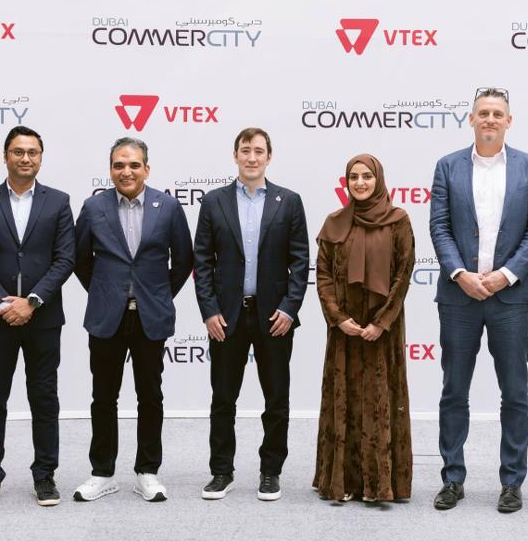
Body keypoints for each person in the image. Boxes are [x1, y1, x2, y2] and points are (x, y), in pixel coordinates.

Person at [429, 88, 528, 513]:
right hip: (458, 297)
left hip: (511, 299)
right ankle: (452, 478)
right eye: (483, 113)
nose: (490, 120)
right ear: (472, 119)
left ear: (509, 121)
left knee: (514, 393)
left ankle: (512, 482)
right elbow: (439, 227)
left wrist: (505, 275)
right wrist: (460, 274)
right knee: (453, 391)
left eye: (498, 113)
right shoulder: (448, 166)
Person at [72, 137, 194, 503]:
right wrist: (106, 292)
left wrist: (156, 294)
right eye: (119, 165)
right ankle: (102, 473)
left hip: (150, 316)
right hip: (106, 316)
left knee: (150, 396)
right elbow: (80, 260)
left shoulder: (168, 206)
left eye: (134, 165)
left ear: (147, 169)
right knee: (103, 397)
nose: (127, 171)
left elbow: (183, 261)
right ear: (110, 170)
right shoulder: (93, 207)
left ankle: (147, 472)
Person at [193, 127, 310, 502]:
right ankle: (221, 472)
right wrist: (209, 311)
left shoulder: (288, 201)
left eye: (259, 151)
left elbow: (300, 262)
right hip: (226, 317)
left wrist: (289, 309)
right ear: (235, 155)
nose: (252, 157)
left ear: (269, 157)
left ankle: (270, 472)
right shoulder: (214, 202)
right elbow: (201, 262)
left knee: (276, 399)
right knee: (222, 398)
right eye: (245, 150)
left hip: (274, 317)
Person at [0, 125, 75, 508]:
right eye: (18, 151)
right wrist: (2, 303)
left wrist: (32, 301)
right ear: (5, 156)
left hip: (43, 318)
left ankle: (45, 476)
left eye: (32, 152)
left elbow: (65, 258)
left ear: (41, 158)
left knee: (44, 398)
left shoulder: (58, 201)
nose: (25, 158)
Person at [313, 154, 416, 502]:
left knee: (379, 400)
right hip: (345, 329)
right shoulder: (334, 223)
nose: (360, 183)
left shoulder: (398, 221)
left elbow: (403, 274)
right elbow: (323, 275)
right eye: (354, 177)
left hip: (382, 330)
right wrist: (337, 317)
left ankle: (378, 484)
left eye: (367, 176)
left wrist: (381, 323)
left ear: (379, 179)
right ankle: (343, 482)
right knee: (344, 400)